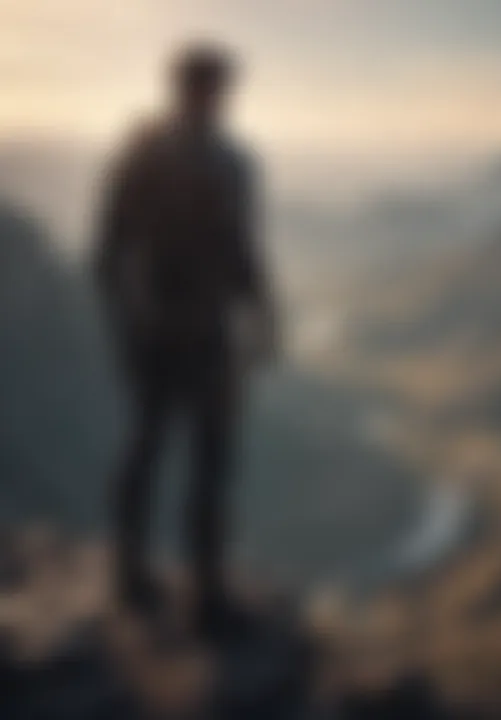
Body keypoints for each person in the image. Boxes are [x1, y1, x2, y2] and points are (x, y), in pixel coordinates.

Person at [95, 44, 276, 638]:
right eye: (206, 86)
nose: (213, 97)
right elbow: (111, 247)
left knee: (198, 457)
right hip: (171, 332)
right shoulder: (160, 155)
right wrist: (132, 319)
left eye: (216, 87)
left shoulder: (217, 160)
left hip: (197, 331)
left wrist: (261, 314)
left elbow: (242, 249)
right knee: (170, 452)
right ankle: (151, 580)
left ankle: (184, 586)